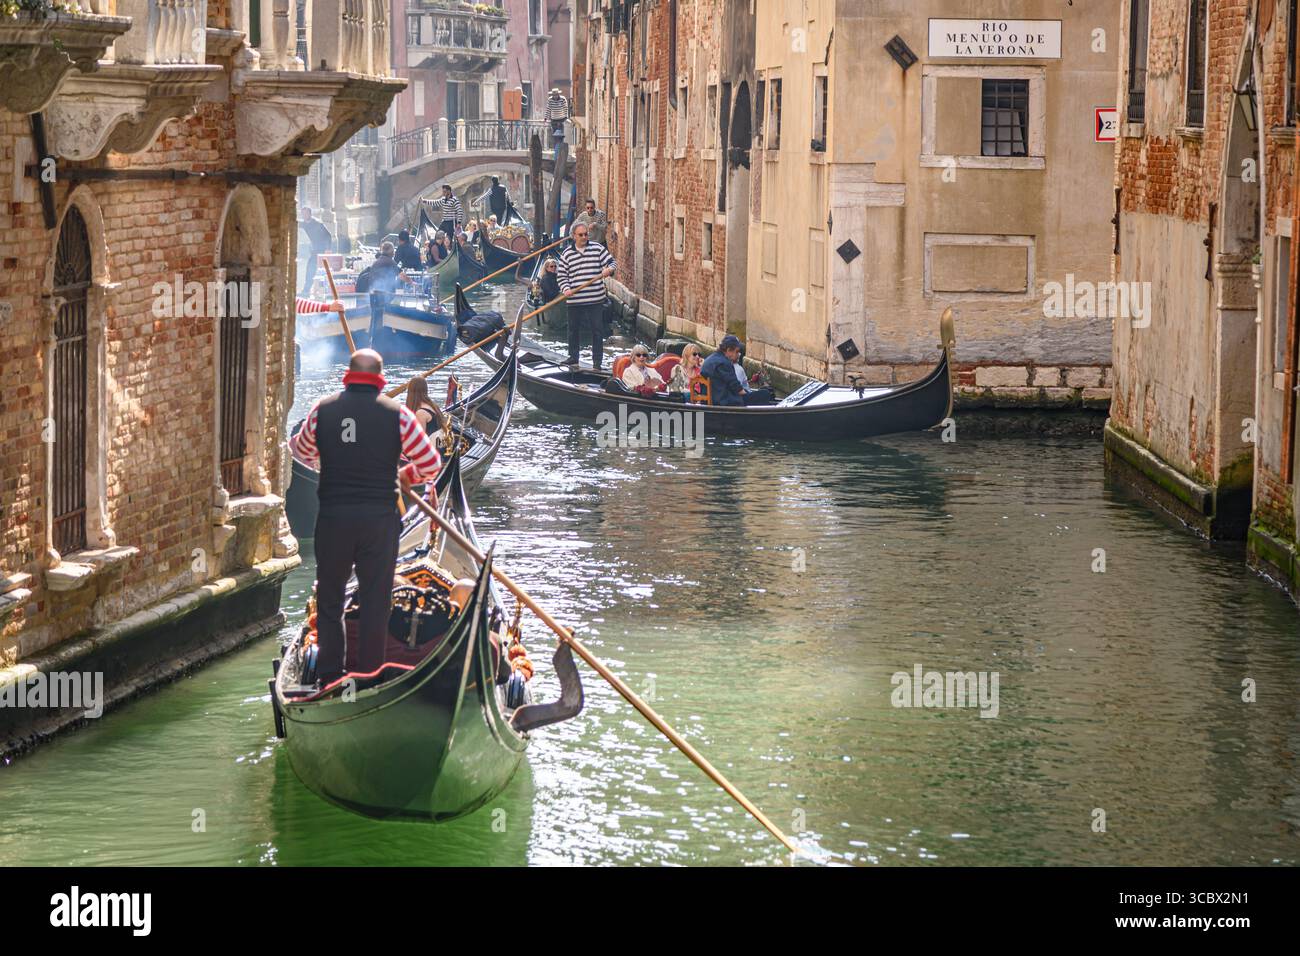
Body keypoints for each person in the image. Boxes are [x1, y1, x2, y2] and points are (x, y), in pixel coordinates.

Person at [289, 348, 442, 681]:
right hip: (379, 521)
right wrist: (406, 477)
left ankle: (331, 678)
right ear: (380, 378)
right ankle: (369, 676)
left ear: (348, 374)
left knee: (329, 602)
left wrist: (325, 460)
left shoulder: (321, 410)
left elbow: (300, 452)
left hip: (333, 519)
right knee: (376, 602)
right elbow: (432, 465)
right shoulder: (399, 415)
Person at [557, 221, 616, 369]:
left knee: (597, 330)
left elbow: (612, 263)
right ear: (573, 236)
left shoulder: (597, 249)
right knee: (573, 330)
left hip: (595, 299)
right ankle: (573, 358)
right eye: (581, 235)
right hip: (574, 299)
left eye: (586, 234)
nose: (584, 237)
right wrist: (566, 289)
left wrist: (608, 269)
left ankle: (597, 363)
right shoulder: (567, 254)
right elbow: (562, 276)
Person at [364, 241, 403, 346]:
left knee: (374, 317)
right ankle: (381, 340)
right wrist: (413, 283)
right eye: (393, 251)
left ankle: (372, 340)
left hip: (373, 295)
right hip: (383, 296)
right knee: (380, 317)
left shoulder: (376, 262)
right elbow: (402, 275)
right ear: (391, 252)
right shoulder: (390, 262)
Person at [700, 335, 748, 407]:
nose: (738, 355)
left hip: (707, 400)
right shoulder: (724, 363)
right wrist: (748, 395)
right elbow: (736, 387)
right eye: (737, 351)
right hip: (723, 401)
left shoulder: (709, 359)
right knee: (764, 394)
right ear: (728, 350)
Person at [300, 207, 333, 295]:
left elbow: (328, 236)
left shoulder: (318, 224)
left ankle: (309, 290)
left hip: (321, 250)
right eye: (303, 214)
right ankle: (307, 290)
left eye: (306, 213)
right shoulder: (302, 224)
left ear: (310, 214)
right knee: (310, 269)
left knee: (316, 269)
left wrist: (328, 249)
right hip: (312, 250)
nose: (304, 215)